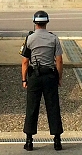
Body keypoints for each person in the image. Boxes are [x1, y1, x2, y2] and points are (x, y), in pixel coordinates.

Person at [21, 10, 63, 151]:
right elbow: (59, 60)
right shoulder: (54, 38)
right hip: (50, 76)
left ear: (35, 22)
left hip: (35, 77)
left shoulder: (30, 39)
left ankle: (29, 141)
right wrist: (58, 77)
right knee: (53, 107)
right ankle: (57, 140)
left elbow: (25, 62)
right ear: (46, 22)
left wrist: (24, 79)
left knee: (32, 107)